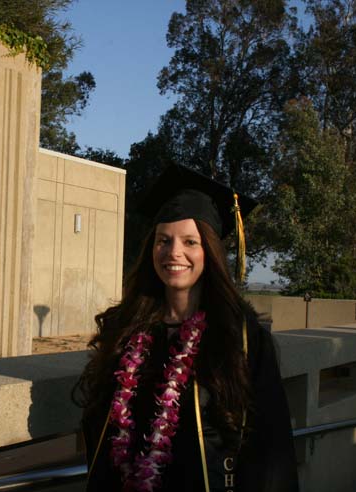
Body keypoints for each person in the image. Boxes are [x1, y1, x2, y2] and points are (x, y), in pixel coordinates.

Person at [74, 165, 299, 492]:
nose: (174, 252)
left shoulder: (242, 339)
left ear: (209, 251)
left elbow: (270, 448)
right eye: (163, 240)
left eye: (190, 241)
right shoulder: (127, 331)